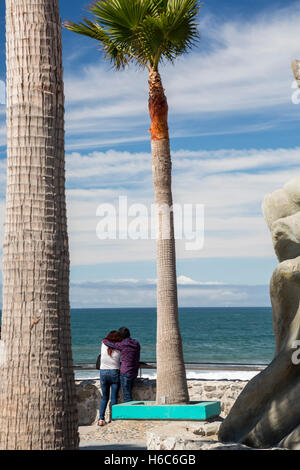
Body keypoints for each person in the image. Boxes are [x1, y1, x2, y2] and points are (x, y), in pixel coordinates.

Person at [103, 327, 140, 403]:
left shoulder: (122, 344)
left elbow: (109, 343)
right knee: (129, 393)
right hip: (134, 372)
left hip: (125, 373)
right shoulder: (136, 343)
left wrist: (104, 339)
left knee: (127, 396)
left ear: (121, 336)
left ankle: (130, 414)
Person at [98, 330, 123, 426]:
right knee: (113, 398)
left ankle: (101, 419)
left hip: (103, 372)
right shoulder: (119, 347)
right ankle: (113, 419)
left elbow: (104, 340)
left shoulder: (104, 343)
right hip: (114, 372)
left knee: (104, 398)